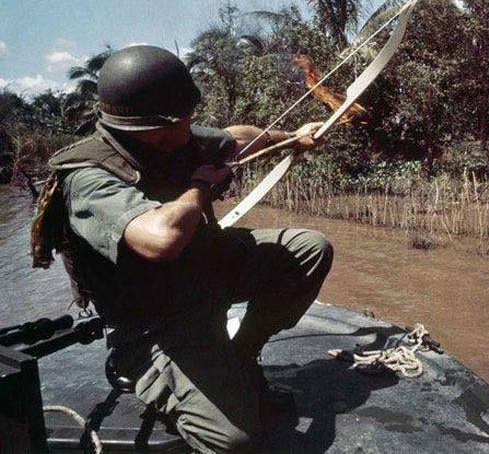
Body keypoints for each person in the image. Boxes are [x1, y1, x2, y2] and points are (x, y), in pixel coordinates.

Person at [34, 45, 334, 453]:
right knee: (234, 440)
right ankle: (144, 369)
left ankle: (242, 357)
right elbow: (162, 240)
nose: (193, 124)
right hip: (152, 321)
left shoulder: (175, 139)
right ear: (154, 126)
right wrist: (199, 186)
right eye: (185, 118)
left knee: (308, 249)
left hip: (204, 272)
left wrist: (290, 138)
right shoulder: (87, 177)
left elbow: (235, 139)